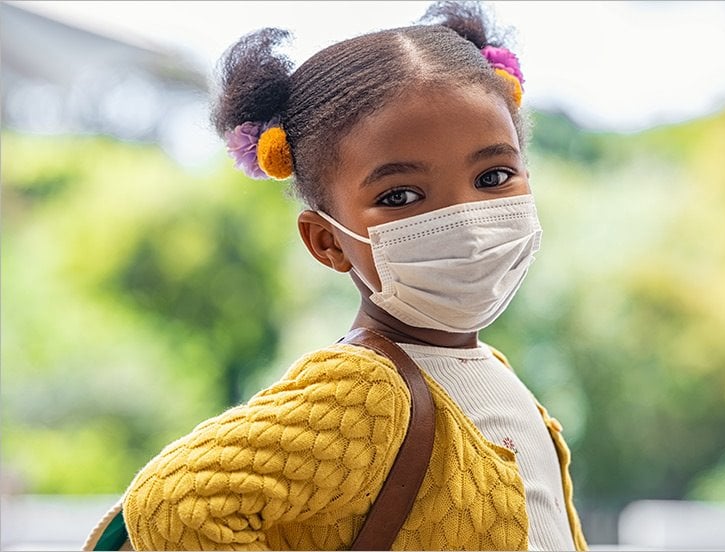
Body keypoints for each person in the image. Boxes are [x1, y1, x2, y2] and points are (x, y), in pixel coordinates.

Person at [91, 2, 588, 550]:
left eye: (493, 176)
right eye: (399, 195)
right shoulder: (366, 393)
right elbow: (174, 505)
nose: (465, 220)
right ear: (326, 241)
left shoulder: (485, 368)